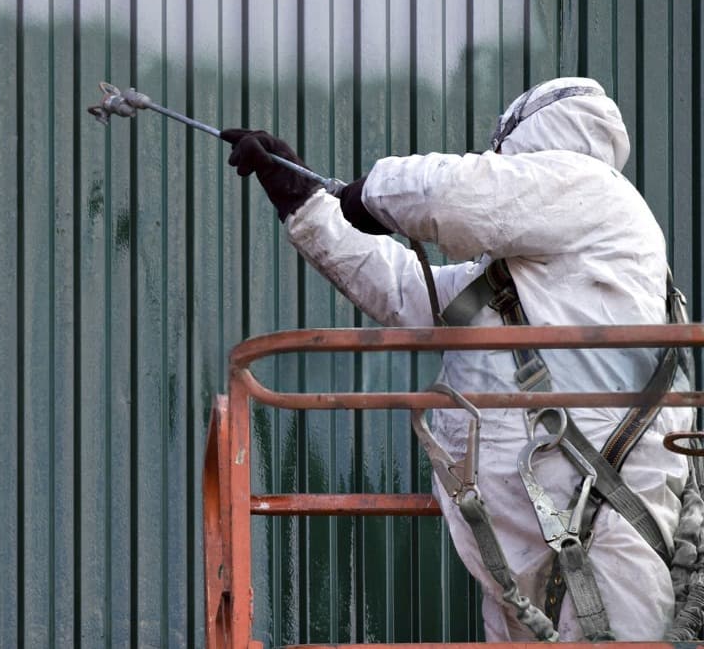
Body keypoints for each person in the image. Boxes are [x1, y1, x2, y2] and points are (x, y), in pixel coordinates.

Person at [222, 77, 694, 641]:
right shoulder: (519, 274)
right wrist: (303, 203)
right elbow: (408, 296)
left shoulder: (595, 193)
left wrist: (371, 192)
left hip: (603, 517)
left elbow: (457, 197)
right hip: (529, 535)